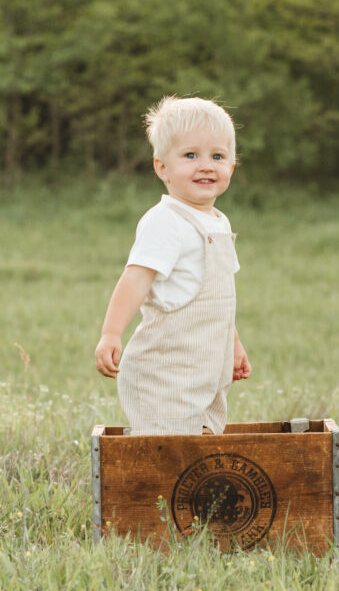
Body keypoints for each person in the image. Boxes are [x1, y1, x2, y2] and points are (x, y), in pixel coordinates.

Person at [94, 96, 251, 435]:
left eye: (218, 156)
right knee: (168, 452)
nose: (206, 165)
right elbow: (135, 279)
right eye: (190, 155)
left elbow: (221, 297)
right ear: (162, 167)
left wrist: (234, 345)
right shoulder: (165, 221)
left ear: (232, 168)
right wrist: (111, 333)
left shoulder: (219, 222)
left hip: (207, 371)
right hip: (165, 374)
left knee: (203, 450)